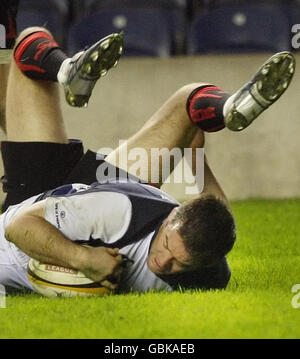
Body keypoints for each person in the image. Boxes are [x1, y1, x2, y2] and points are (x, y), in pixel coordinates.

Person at [0, 2, 295, 295]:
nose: (161, 263)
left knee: (29, 44)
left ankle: (65, 69)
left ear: (204, 262)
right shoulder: (121, 209)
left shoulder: (210, 272)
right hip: (97, 195)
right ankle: (228, 105)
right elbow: (215, 206)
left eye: (181, 263)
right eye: (167, 245)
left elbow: (216, 219)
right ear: (172, 216)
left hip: (50, 191)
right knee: (185, 101)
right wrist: (195, 154)